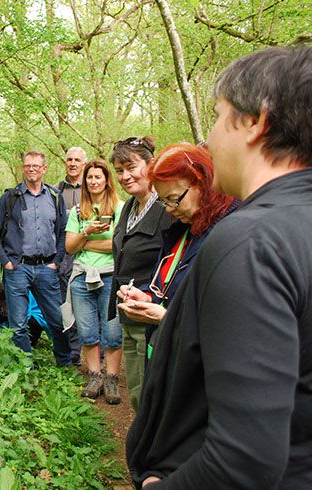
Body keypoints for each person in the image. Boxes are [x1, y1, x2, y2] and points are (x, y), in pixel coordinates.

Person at [125, 46, 312, 489]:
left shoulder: (250, 241)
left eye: (216, 114)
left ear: (254, 121)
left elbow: (244, 458)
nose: (208, 138)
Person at [117, 142, 239, 354]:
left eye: (174, 200)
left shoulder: (231, 235)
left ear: (202, 183)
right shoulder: (182, 232)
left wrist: (165, 318)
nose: (170, 211)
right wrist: (148, 297)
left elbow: (229, 324)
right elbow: (172, 289)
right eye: (164, 202)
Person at [0, 151, 73, 369]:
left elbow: (63, 231)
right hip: (17, 268)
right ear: (23, 168)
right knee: (18, 323)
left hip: (46, 267)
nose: (31, 169)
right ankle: (26, 367)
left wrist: (58, 260)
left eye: (36, 166)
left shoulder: (54, 197)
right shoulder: (10, 198)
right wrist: (6, 261)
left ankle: (65, 363)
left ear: (44, 169)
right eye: (27, 166)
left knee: (56, 320)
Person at [108, 136, 171, 411]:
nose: (124, 176)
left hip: (153, 315)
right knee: (135, 388)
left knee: (151, 390)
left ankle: (151, 448)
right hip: (128, 313)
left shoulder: (167, 208)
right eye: (119, 170)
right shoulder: (129, 208)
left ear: (151, 164)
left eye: (131, 167)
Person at [64, 159, 125, 403]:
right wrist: (86, 232)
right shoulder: (77, 212)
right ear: (85, 181)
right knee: (87, 332)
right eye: (90, 177)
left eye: (98, 177)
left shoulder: (121, 208)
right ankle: (95, 375)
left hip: (110, 276)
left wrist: (85, 243)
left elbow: (119, 245)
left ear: (107, 180)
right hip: (82, 277)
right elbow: (69, 247)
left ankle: (111, 379)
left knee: (113, 332)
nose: (93, 181)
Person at [56, 146, 88, 365]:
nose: (73, 163)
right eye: (69, 159)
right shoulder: (56, 191)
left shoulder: (93, 186)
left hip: (91, 251)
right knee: (68, 300)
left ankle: (98, 348)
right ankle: (74, 350)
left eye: (77, 160)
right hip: (65, 253)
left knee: (92, 297)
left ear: (84, 164)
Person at [0, 281, 51, 348]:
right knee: (1, 315)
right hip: (11, 314)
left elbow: (25, 317)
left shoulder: (21, 295)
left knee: (30, 324)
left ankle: (29, 343)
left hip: (34, 316)